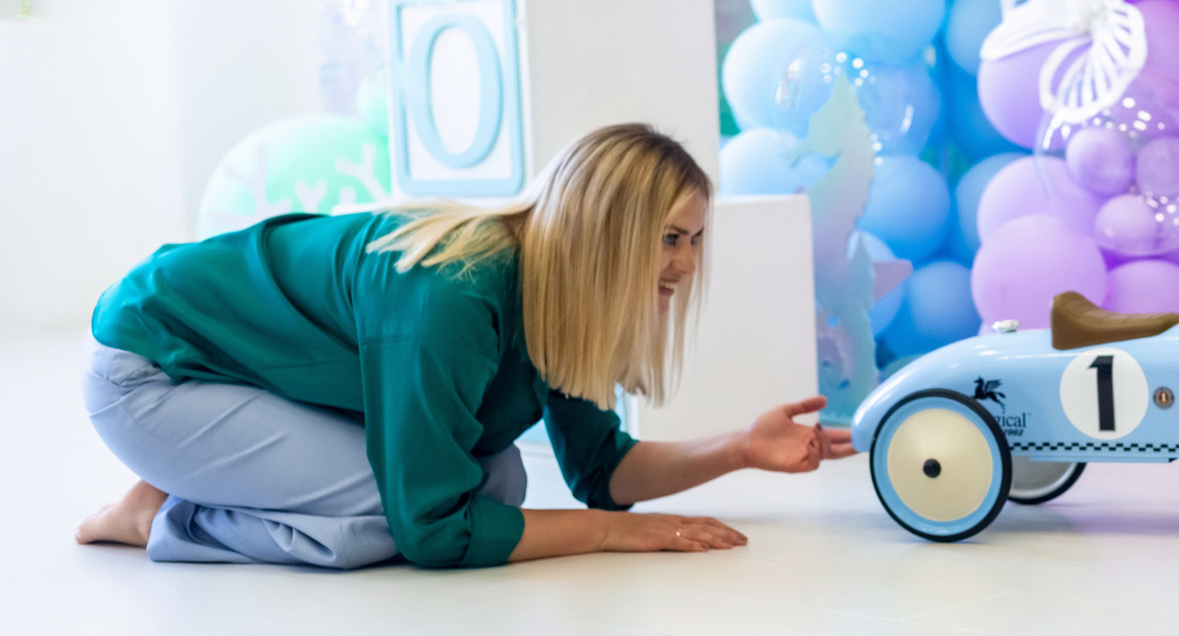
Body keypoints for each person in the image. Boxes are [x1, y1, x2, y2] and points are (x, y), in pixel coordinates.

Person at [76, 122, 853, 569]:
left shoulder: (561, 296)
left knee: (499, 480)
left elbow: (603, 471)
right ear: (605, 234)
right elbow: (433, 531)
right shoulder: (457, 291)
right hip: (152, 373)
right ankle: (166, 515)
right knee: (394, 513)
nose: (686, 264)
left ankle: (186, 478)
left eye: (695, 240)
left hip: (249, 379)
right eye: (669, 238)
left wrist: (741, 449)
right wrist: (611, 534)